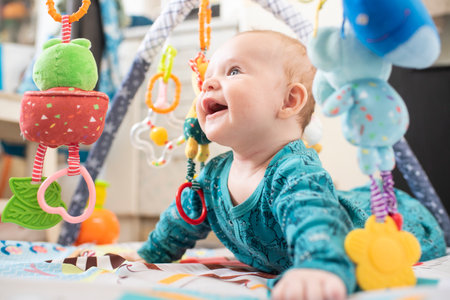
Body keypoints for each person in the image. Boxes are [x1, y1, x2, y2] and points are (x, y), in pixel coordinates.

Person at [128, 30, 446, 300]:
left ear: (289, 101)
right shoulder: (212, 176)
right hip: (342, 202)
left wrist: (318, 266)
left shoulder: (295, 171)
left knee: (356, 214)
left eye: (234, 71)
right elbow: (180, 221)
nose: (209, 83)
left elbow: (316, 224)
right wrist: (149, 257)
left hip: (399, 223)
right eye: (210, 74)